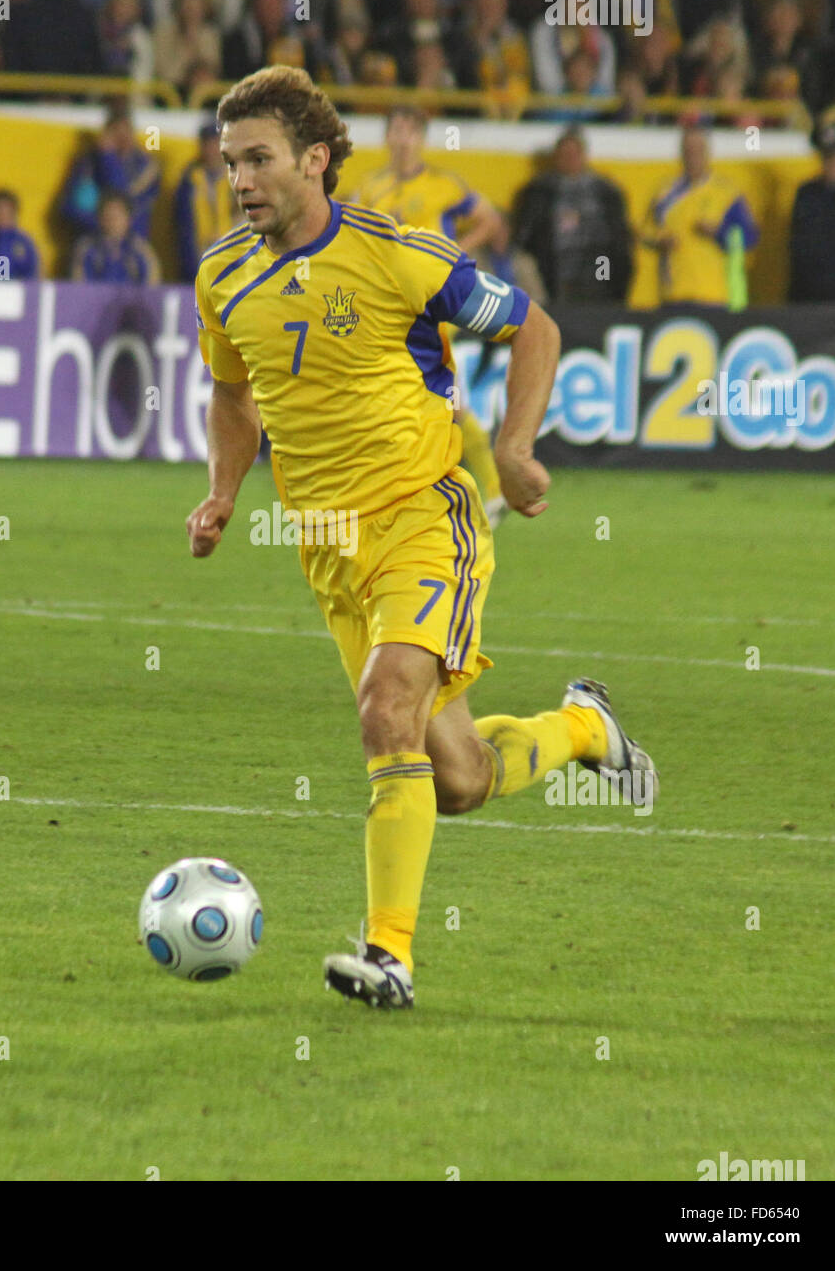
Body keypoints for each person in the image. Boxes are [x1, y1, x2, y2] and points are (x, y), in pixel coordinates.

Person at [186, 65, 657, 1010]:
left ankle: (389, 955)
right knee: (457, 778)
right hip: (324, 544)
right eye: (229, 161)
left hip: (419, 515)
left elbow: (533, 327)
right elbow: (235, 392)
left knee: (383, 709)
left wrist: (515, 449)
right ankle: (580, 728)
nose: (239, 180)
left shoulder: (400, 255)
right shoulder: (221, 274)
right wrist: (222, 491)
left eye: (259, 159)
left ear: (315, 161)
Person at [353, 105, 506, 524]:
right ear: (387, 138)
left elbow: (489, 220)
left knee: (443, 398)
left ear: (420, 138)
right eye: (396, 130)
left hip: (435, 306)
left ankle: (491, 490)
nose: (402, 139)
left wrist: (457, 256)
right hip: (389, 309)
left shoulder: (443, 185)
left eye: (409, 131)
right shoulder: (370, 190)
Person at [511, 127, 633, 304]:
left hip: (597, 268)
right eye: (564, 154)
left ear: (584, 156)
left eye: (574, 154)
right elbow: (524, 238)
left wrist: (609, 288)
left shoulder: (605, 192)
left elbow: (617, 244)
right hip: (553, 275)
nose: (569, 159)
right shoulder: (538, 192)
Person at [642, 126, 759, 306]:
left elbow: (750, 237)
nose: (692, 157)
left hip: (715, 295)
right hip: (673, 295)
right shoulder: (665, 194)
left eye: (697, 150)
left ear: (707, 153)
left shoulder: (726, 194)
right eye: (688, 151)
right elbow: (645, 232)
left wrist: (720, 232)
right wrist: (660, 240)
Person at [59, 104, 160, 242]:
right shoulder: (89, 163)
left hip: (131, 245)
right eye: (115, 133)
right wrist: (101, 225)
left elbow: (122, 198)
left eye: (125, 132)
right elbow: (69, 208)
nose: (121, 139)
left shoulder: (145, 167)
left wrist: (108, 159)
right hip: (94, 242)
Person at [788, 122, 835, 302]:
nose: (833, 162)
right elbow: (798, 243)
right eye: (828, 156)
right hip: (808, 291)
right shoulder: (807, 192)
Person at [174, 121, 242, 281]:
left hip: (231, 256)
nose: (213, 150)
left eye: (217, 143)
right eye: (208, 144)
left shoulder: (236, 178)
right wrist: (192, 267)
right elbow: (185, 229)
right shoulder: (189, 181)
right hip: (200, 256)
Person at [72, 192, 160, 284]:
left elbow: (152, 286)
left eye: (118, 215)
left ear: (129, 219)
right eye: (108, 214)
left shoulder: (142, 250)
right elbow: (79, 285)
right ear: (99, 217)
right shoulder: (86, 248)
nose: (113, 219)